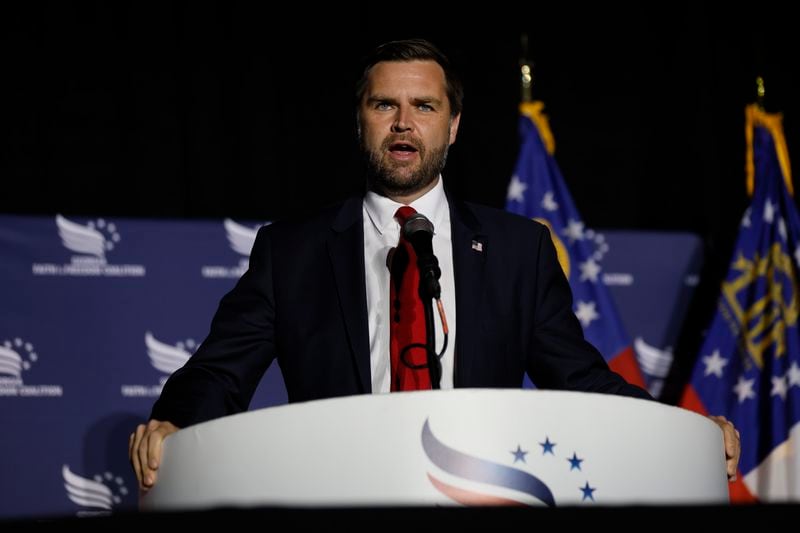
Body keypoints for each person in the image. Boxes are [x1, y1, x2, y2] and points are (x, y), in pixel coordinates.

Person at [130, 38, 740, 492]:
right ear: (360, 121)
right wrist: (174, 421)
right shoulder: (291, 251)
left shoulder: (517, 250)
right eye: (384, 105)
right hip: (338, 497)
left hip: (474, 497)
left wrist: (681, 430)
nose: (403, 123)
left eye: (423, 106)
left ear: (453, 127)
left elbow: (582, 381)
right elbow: (218, 373)